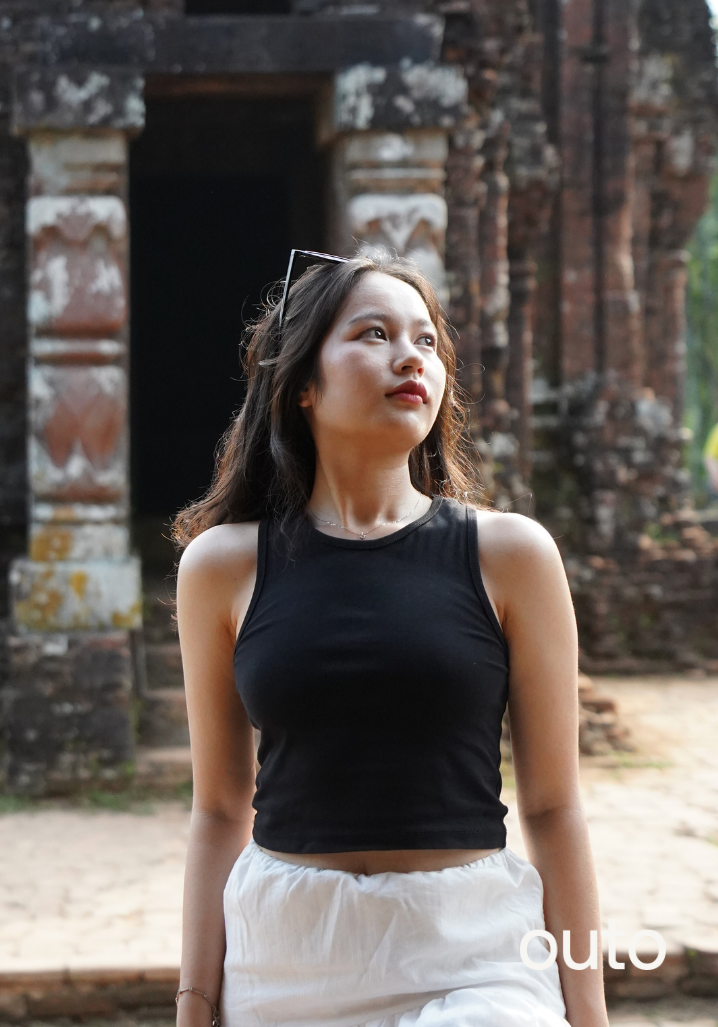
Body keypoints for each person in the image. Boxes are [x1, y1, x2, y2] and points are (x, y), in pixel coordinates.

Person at [171, 249, 608, 1027]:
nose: (411, 356)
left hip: (475, 952)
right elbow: (218, 811)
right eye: (374, 334)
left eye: (428, 342)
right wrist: (196, 1007)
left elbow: (552, 808)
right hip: (286, 957)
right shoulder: (221, 567)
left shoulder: (511, 555)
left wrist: (589, 1014)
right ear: (302, 384)